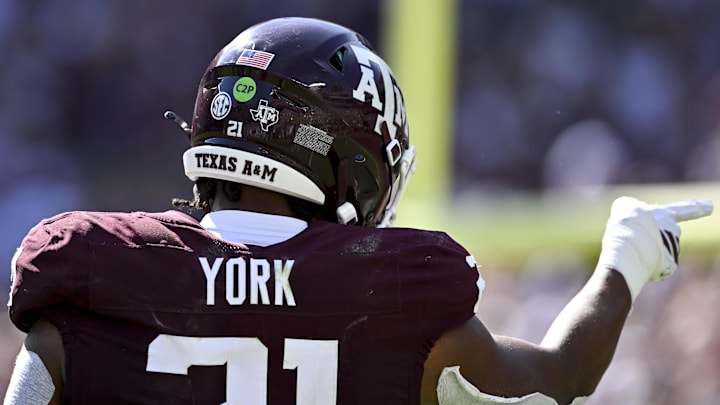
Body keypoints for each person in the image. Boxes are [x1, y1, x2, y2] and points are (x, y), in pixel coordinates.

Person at [3, 17, 713, 405]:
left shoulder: (92, 288)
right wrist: (625, 258)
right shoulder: (404, 310)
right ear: (351, 162)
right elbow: (562, 378)